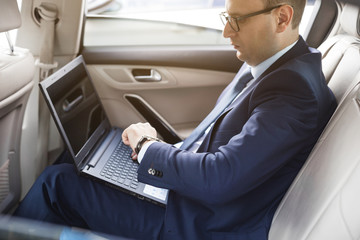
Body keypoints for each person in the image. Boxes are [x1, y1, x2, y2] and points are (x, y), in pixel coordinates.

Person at [14, 0, 337, 239]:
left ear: (282, 18)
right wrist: (160, 147)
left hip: (198, 222)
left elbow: (220, 178)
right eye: (226, 17)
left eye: (237, 21)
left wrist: (148, 147)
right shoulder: (273, 64)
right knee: (77, 158)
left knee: (54, 184)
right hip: (190, 200)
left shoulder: (293, 92)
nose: (226, 32)